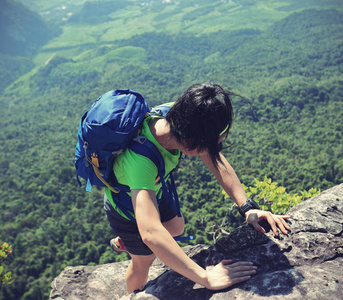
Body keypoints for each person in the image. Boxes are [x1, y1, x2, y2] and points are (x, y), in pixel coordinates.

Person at [104, 83, 291, 293]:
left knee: (176, 228)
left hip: (154, 186)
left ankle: (130, 239)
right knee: (145, 257)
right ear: (192, 146)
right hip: (126, 206)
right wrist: (206, 278)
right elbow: (151, 233)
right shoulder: (140, 163)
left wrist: (247, 207)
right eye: (212, 145)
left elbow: (216, 161)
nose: (215, 150)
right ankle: (131, 290)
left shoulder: (184, 117)